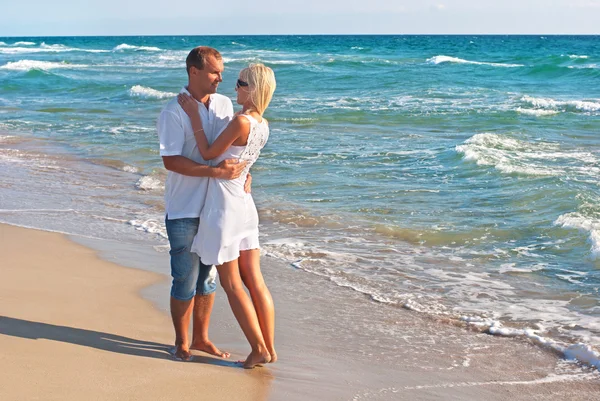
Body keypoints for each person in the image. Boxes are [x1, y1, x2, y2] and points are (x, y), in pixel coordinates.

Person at [177, 63, 276, 369]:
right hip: (245, 206)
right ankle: (269, 349)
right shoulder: (263, 124)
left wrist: (194, 116)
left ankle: (258, 348)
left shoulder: (241, 121)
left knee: (232, 282)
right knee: (255, 279)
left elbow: (208, 154)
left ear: (253, 89)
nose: (235, 87)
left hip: (226, 207)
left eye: (241, 83)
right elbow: (244, 161)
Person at [157, 46, 250, 362]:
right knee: (184, 279)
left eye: (222, 72)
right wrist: (213, 171)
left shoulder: (225, 104)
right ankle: (181, 341)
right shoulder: (173, 111)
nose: (221, 79)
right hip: (184, 207)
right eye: (214, 72)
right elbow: (171, 160)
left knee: (208, 278)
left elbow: (236, 146)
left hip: (217, 207)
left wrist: (246, 174)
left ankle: (202, 338)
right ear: (193, 71)